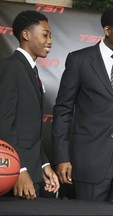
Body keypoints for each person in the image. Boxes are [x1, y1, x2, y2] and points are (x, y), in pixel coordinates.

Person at [52, 5, 113, 202]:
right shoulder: (79, 60)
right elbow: (63, 110)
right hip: (90, 159)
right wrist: (61, 157)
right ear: (107, 30)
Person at [0, 10, 60, 200]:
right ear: (26, 35)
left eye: (50, 35)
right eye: (45, 35)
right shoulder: (11, 67)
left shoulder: (30, 70)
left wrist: (44, 165)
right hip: (15, 175)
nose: (50, 41)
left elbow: (30, 129)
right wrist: (19, 170)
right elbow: (3, 125)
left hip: (31, 171)